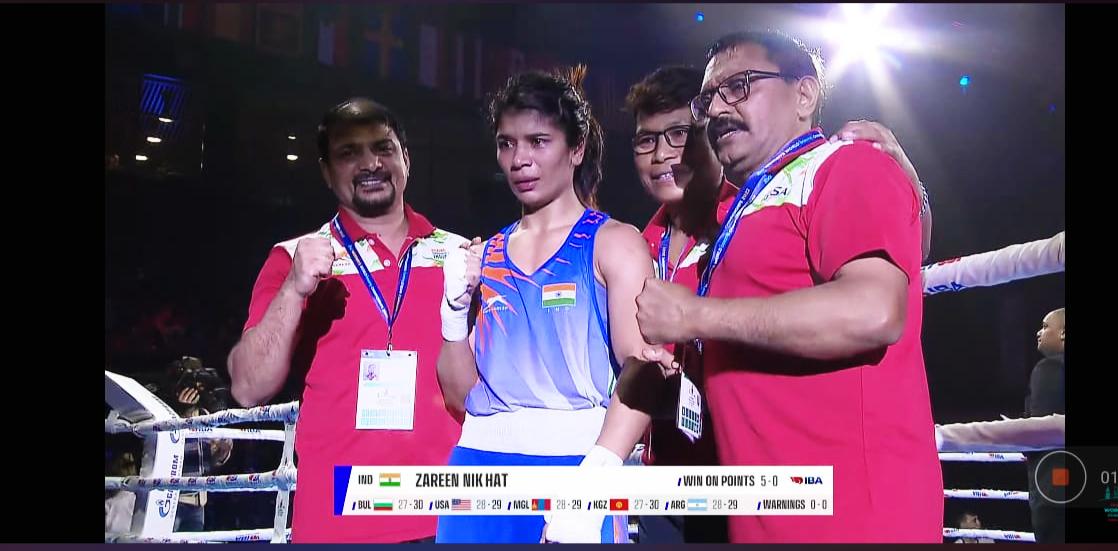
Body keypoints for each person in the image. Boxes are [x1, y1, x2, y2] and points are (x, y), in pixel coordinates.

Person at [633, 30, 942, 542]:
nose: (718, 110)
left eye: (740, 85)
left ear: (805, 94)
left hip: (854, 519)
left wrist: (695, 316)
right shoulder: (751, 202)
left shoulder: (845, 164)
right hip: (766, 514)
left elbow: (874, 310)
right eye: (709, 98)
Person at [434, 66, 665, 544]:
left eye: (538, 141)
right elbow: (461, 398)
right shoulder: (487, 256)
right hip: (478, 467)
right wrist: (453, 316)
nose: (519, 159)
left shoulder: (614, 243)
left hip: (578, 465)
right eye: (506, 143)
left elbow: (643, 369)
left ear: (575, 149)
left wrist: (595, 481)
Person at [227, 98, 469, 543]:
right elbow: (247, 387)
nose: (370, 163)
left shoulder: (461, 256)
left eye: (383, 148)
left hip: (447, 515)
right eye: (348, 152)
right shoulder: (292, 257)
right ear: (325, 170)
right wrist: (295, 289)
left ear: (405, 159)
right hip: (336, 521)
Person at [1025, 307, 1065, 543]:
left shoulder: (1050, 368)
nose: (1039, 332)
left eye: (1046, 326)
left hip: (1056, 488)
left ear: (1063, 333)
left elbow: (1038, 433)